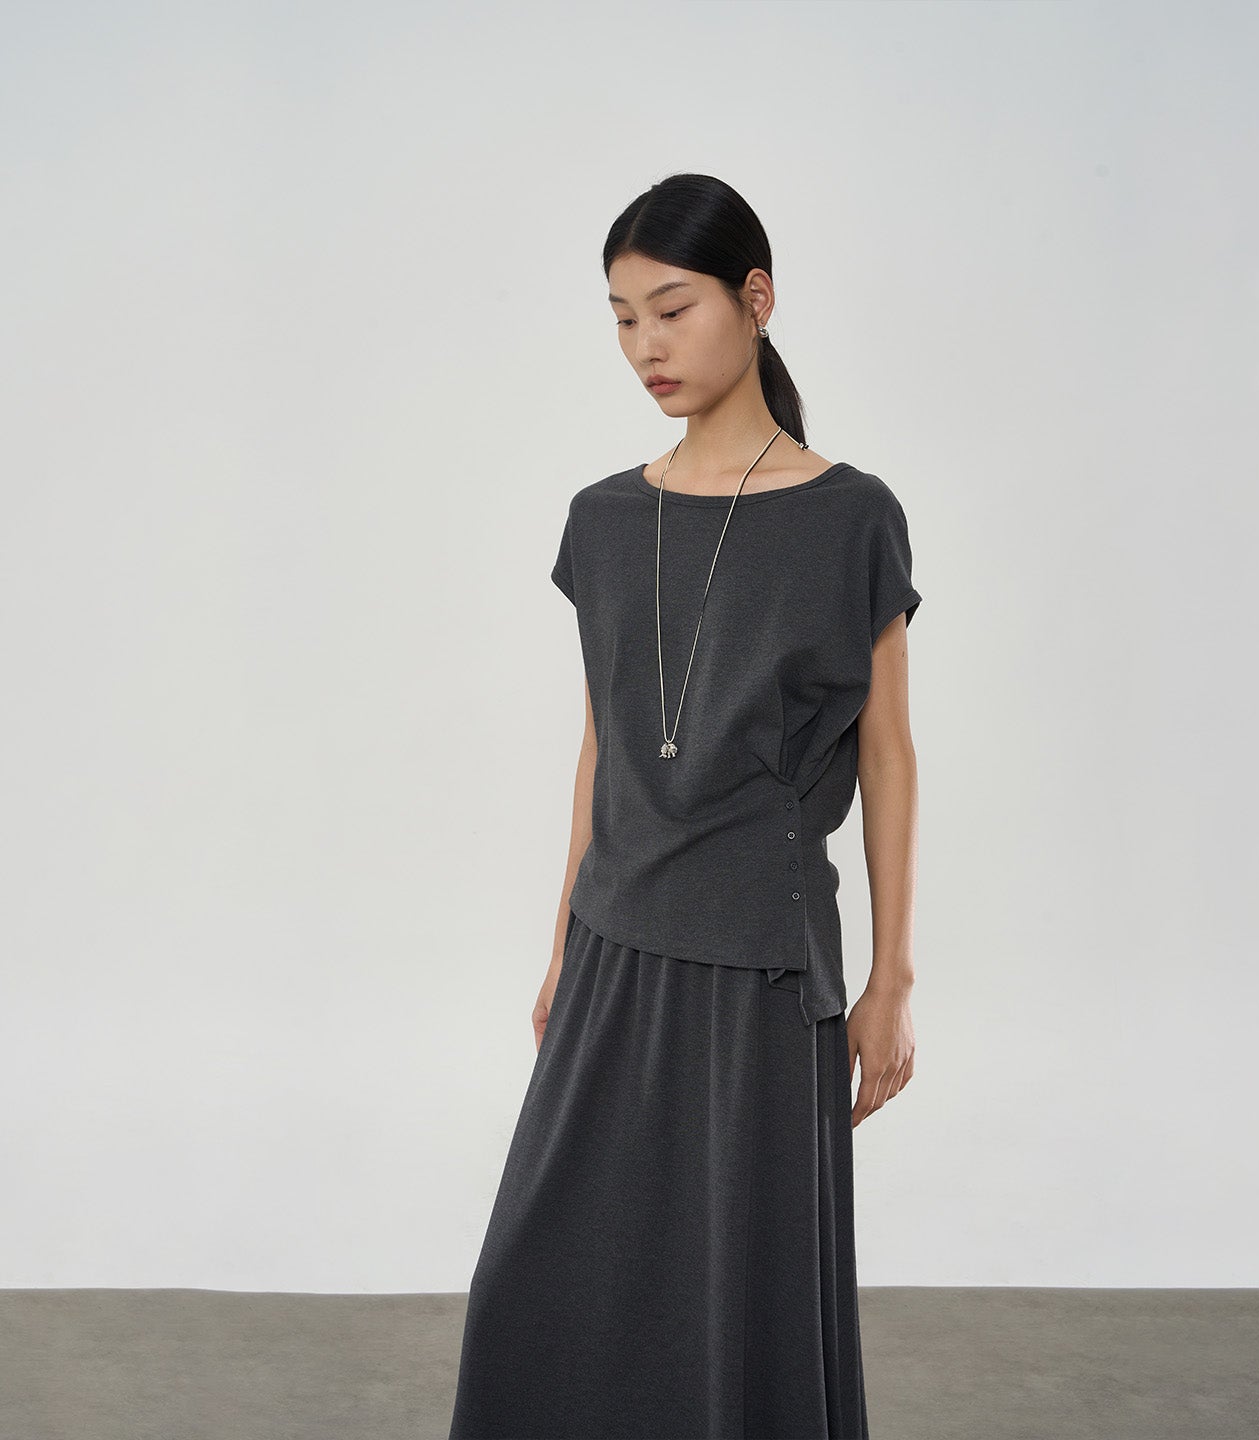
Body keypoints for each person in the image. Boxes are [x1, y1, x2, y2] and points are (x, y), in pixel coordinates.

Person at [448, 172, 921, 1440]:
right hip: (616, 944)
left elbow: (888, 755)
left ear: (755, 299)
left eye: (672, 309)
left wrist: (889, 980)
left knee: (733, 1301)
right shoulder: (605, 519)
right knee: (536, 1287)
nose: (645, 346)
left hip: (763, 965)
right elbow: (602, 747)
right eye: (621, 319)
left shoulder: (852, 517)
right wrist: (563, 941)